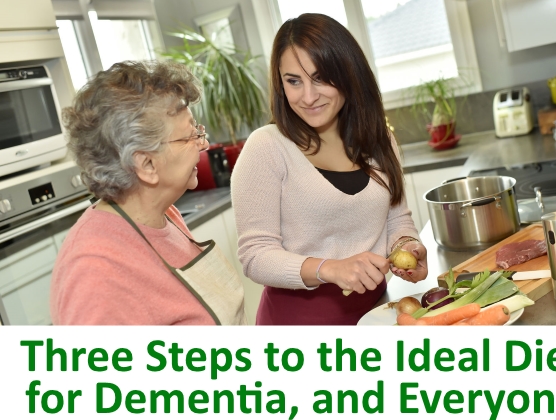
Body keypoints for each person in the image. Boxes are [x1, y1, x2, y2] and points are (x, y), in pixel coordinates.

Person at [231, 13, 427, 325]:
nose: (308, 97)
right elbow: (256, 256)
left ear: (349, 75)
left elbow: (396, 220)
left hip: (378, 313)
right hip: (297, 326)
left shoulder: (379, 139)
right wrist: (330, 268)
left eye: (321, 78)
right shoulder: (266, 147)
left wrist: (407, 247)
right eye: (293, 81)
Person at [50, 60, 246, 325]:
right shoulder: (94, 272)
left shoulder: (164, 214)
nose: (204, 144)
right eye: (190, 136)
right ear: (146, 165)